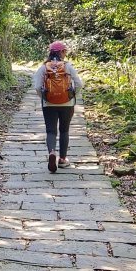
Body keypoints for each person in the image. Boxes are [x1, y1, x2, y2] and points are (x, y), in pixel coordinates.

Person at [33, 41, 84, 173]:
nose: (65, 54)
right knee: (64, 130)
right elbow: (79, 83)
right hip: (67, 103)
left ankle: (51, 152)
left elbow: (37, 87)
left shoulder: (44, 67)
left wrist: (45, 98)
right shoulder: (68, 67)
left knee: (51, 131)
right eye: (65, 51)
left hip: (49, 104)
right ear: (61, 52)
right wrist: (71, 95)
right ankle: (62, 159)